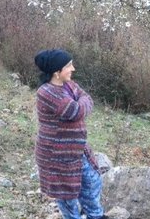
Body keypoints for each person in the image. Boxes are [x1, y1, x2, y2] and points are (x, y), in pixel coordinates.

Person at [34, 48, 106, 219]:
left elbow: (87, 98)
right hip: (57, 157)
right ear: (57, 72)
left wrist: (83, 102)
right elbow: (76, 111)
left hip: (77, 151)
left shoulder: (69, 84)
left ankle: (96, 215)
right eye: (69, 65)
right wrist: (82, 103)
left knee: (92, 181)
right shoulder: (46, 92)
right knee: (66, 196)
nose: (73, 69)